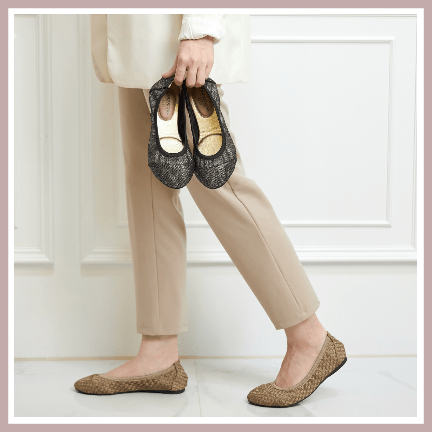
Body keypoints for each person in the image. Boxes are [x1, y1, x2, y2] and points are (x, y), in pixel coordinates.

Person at [74, 14, 346, 408]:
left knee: (218, 180)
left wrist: (201, 28)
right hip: (134, 35)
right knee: (147, 183)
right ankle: (158, 350)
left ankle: (308, 335)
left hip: (170, 34)